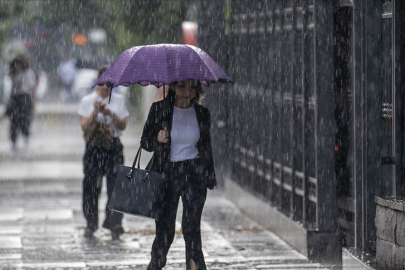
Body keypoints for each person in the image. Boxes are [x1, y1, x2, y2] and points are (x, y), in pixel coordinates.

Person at [141, 79, 217, 270]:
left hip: (194, 175)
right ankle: (155, 265)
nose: (187, 92)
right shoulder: (160, 109)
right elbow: (145, 142)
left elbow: (206, 147)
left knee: (192, 230)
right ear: (173, 86)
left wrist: (209, 175)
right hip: (167, 175)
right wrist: (158, 138)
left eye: (192, 87)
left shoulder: (202, 113)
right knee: (165, 231)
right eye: (182, 86)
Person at [78, 66, 129, 240]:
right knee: (91, 185)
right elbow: (84, 127)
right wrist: (95, 112)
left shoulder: (118, 100)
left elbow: (123, 125)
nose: (107, 86)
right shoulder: (87, 100)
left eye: (110, 83)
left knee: (116, 185)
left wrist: (110, 113)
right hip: (94, 147)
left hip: (113, 145)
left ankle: (114, 222)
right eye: (104, 82)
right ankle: (91, 223)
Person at [6, 56, 36, 150]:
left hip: (24, 98)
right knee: (14, 121)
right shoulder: (14, 74)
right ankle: (14, 141)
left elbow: (32, 87)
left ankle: (26, 135)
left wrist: (33, 100)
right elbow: (12, 88)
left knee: (24, 119)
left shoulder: (27, 73)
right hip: (15, 98)